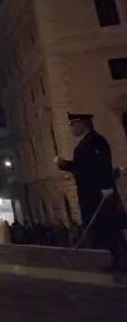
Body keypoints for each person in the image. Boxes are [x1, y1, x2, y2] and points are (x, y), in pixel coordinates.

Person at [57, 112, 127, 271]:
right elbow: (83, 168)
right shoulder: (86, 143)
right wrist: (66, 165)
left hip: (100, 194)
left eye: (72, 125)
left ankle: (120, 261)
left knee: (111, 228)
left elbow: (101, 166)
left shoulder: (96, 141)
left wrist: (106, 187)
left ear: (82, 124)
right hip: (92, 194)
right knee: (109, 230)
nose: (71, 129)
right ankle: (119, 260)